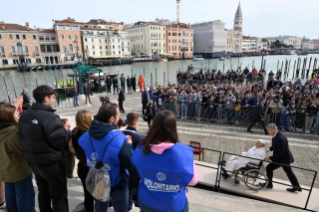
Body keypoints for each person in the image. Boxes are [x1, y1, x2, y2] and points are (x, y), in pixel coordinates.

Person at [132, 110, 198, 212]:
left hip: (147, 199)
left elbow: (137, 170)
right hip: (173, 204)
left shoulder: (141, 149)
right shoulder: (183, 153)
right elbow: (193, 181)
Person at [19, 85, 71, 212]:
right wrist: (66, 132)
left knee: (43, 193)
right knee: (59, 195)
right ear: (46, 98)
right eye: (53, 98)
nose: (54, 100)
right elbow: (61, 142)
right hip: (51, 163)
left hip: (35, 163)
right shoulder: (51, 117)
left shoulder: (25, 115)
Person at [79, 103, 134, 212]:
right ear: (111, 119)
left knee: (100, 207)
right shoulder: (119, 137)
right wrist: (128, 145)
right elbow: (129, 163)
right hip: (117, 183)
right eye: (118, 116)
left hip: (98, 180)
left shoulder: (84, 137)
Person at [0, 105, 36, 212]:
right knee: (24, 197)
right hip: (19, 171)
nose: (18, 114)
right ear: (8, 117)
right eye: (16, 113)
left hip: (5, 170)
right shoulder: (13, 132)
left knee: (10, 195)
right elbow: (24, 149)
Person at [260, 124, 302, 192]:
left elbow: (281, 153)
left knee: (269, 168)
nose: (267, 131)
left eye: (268, 130)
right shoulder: (276, 135)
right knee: (289, 172)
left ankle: (269, 184)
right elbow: (275, 145)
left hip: (282, 159)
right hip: (283, 157)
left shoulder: (280, 138)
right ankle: (297, 187)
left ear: (273, 130)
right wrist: (268, 149)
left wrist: (270, 158)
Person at [71, 110, 94, 212]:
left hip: (82, 166)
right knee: (99, 194)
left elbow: (73, 149)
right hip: (93, 167)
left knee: (87, 194)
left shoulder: (75, 134)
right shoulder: (92, 135)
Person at [123, 113, 144, 211]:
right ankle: (139, 204)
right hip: (136, 169)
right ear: (136, 122)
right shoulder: (140, 138)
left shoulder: (120, 134)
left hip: (123, 167)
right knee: (139, 188)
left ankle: (127, 206)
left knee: (127, 189)